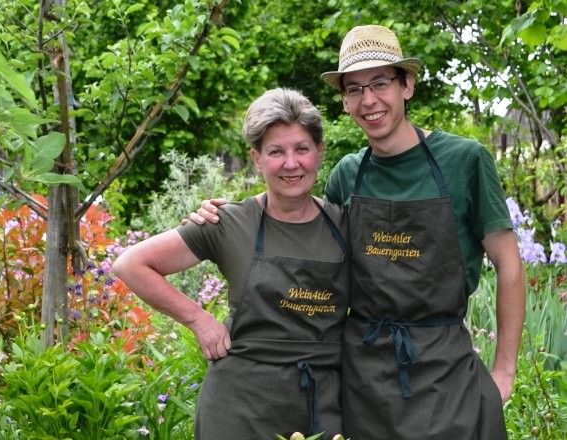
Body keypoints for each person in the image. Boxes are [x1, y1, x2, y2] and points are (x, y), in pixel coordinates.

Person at [191, 25, 525, 439]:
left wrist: (504, 370)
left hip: (447, 371)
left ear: (408, 85)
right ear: (345, 101)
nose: (368, 100)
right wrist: (228, 215)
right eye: (354, 89)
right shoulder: (348, 174)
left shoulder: (464, 161)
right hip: (364, 382)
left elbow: (509, 266)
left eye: (380, 83)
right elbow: (298, 227)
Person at [113, 88, 349, 439]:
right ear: (256, 158)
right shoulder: (229, 223)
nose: (291, 163)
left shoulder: (344, 225)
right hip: (239, 408)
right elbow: (131, 263)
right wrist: (199, 320)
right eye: (275, 152)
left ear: (319, 152)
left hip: (320, 405)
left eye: (302, 148)